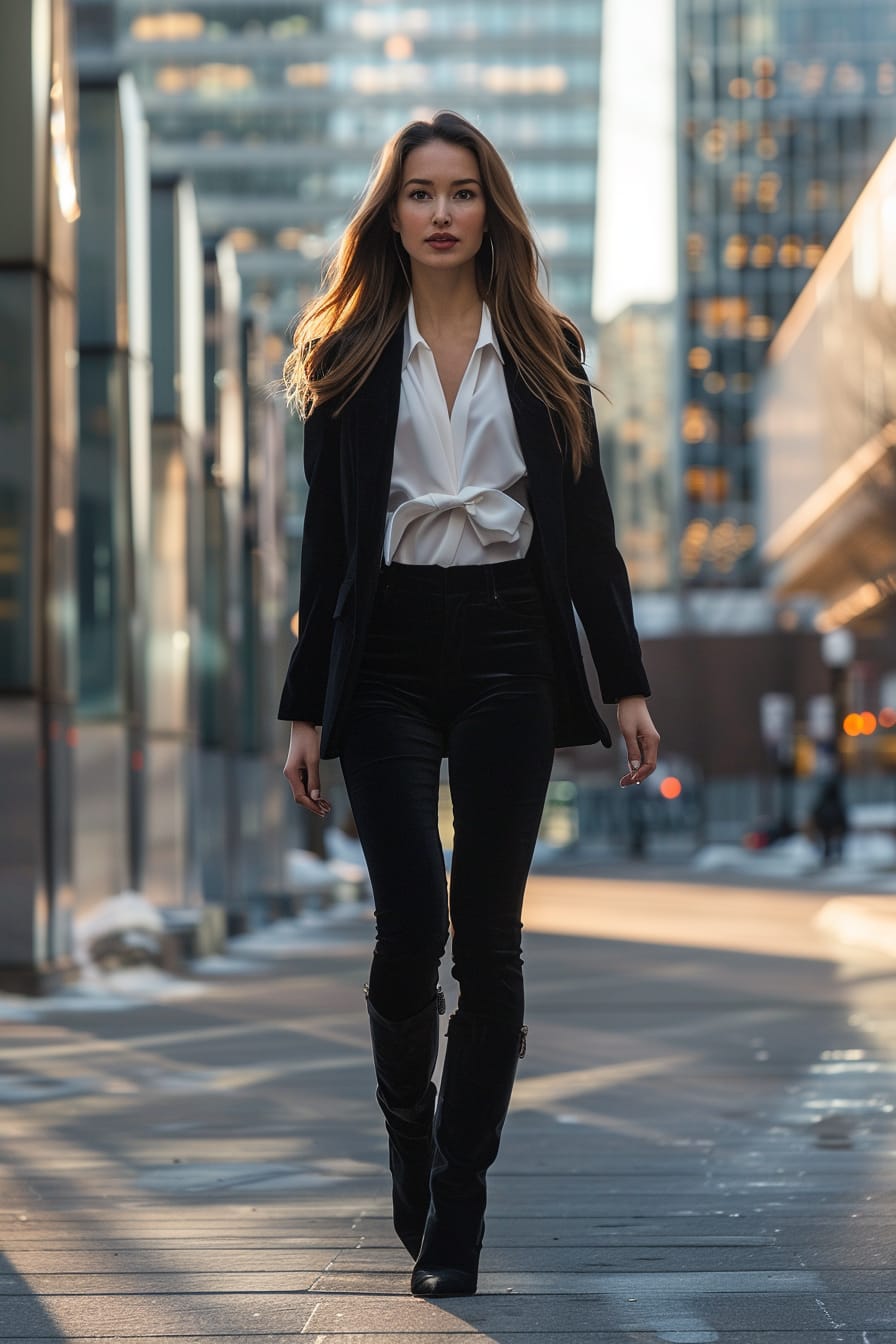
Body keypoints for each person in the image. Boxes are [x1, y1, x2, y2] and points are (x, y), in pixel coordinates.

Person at [279, 111, 659, 1298]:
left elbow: (586, 540)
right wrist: (305, 710)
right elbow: (325, 553)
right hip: (384, 653)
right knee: (409, 939)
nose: (440, 212)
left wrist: (627, 682)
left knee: (487, 945)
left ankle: (459, 1197)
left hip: (509, 649)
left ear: (490, 208)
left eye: (460, 192)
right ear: (388, 214)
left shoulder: (546, 348)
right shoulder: (347, 356)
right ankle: (409, 1124)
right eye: (417, 193)